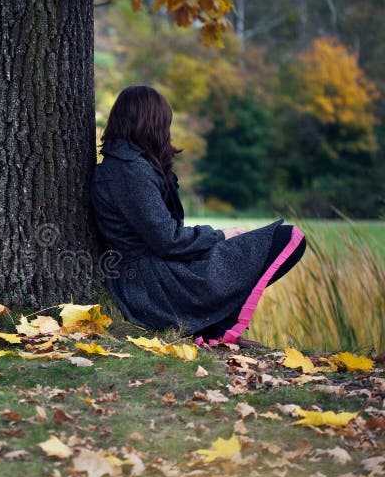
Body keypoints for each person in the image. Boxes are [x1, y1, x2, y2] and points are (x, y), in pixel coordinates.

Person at [91, 86, 306, 347]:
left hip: (156, 272)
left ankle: (212, 326)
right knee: (285, 238)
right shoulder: (129, 170)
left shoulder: (131, 165)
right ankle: (216, 328)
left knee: (270, 242)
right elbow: (167, 240)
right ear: (152, 123)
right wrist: (219, 235)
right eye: (165, 123)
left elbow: (164, 233)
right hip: (151, 284)